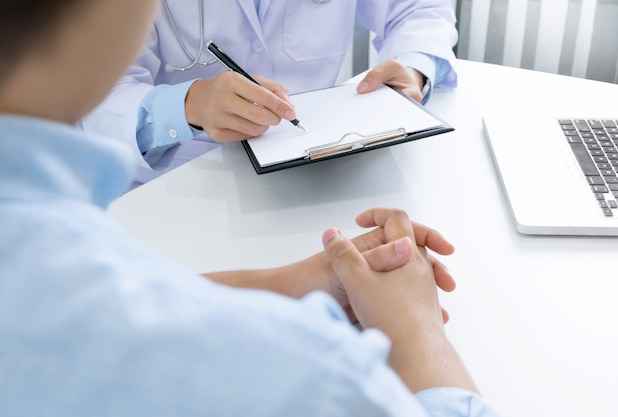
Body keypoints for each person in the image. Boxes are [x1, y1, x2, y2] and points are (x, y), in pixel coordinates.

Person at [0, 0, 500, 415]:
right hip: (174, 200)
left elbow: (104, 300)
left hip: (318, 188)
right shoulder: (300, 368)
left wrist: (290, 282)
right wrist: (417, 330)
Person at [80, 0, 459, 186]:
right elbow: (90, 101)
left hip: (320, 170)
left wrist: (414, 67)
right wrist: (189, 106)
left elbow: (418, 9)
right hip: (180, 184)